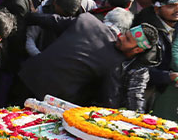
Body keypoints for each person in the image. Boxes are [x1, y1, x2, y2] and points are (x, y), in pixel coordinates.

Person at [19, 8, 156, 107]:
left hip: (32, 80)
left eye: (127, 40)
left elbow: (51, 20)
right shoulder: (115, 61)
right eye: (125, 34)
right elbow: (110, 100)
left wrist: (28, 15)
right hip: (45, 95)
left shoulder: (88, 21)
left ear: (137, 49)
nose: (121, 37)